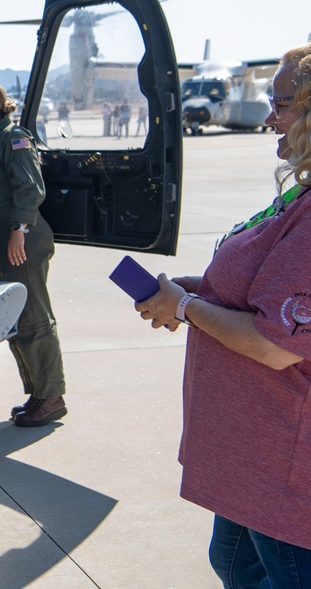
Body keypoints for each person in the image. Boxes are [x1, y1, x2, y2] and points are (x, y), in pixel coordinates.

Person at [135, 43, 311, 588]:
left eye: (281, 105)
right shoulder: (298, 196)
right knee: (233, 565)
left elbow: (276, 343)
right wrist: (199, 292)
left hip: (283, 464)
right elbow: (258, 291)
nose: (268, 118)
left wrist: (185, 307)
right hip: (253, 460)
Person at [0, 84, 66, 427]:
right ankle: (39, 393)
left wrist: (18, 231)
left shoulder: (13, 138)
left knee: (34, 316)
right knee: (18, 319)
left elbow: (30, 187)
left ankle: (52, 396)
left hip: (22, 240)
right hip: (6, 240)